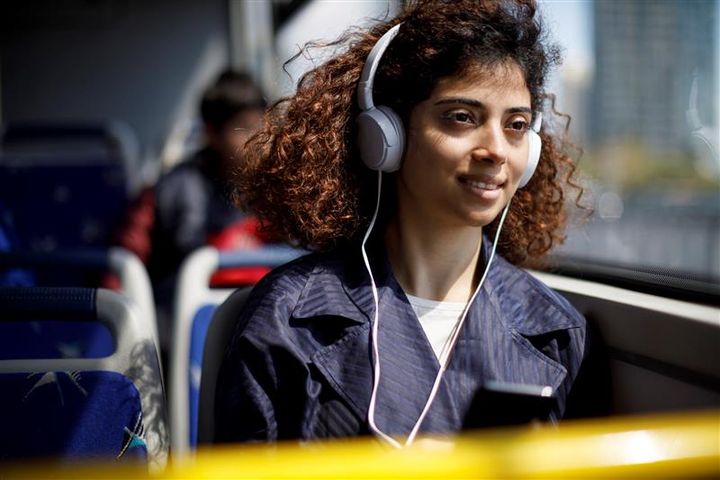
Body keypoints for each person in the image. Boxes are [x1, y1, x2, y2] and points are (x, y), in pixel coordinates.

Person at [215, 0, 589, 445]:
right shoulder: (287, 317)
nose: (496, 149)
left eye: (516, 125)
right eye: (462, 117)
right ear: (385, 135)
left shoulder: (556, 330)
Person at [144, 70, 268, 347]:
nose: (259, 138)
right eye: (245, 128)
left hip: (257, 311)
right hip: (185, 321)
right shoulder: (181, 186)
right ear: (212, 133)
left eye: (264, 125)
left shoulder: (274, 184)